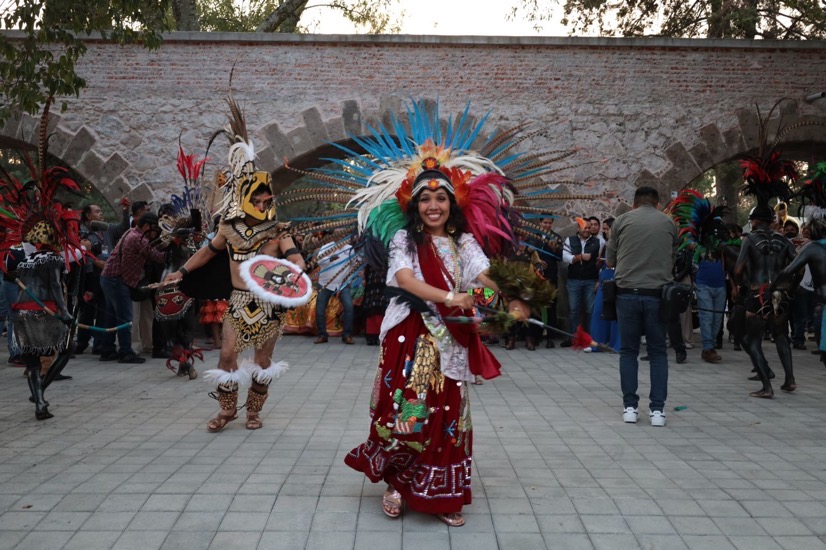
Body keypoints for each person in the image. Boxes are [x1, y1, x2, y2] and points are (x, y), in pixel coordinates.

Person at [343, 169, 528, 527]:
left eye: (441, 198)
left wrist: (515, 296)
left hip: (451, 338)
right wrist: (450, 297)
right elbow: (405, 279)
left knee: (446, 414)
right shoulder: (405, 240)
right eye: (425, 199)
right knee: (408, 411)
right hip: (411, 335)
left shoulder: (464, 242)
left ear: (452, 203)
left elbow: (484, 277)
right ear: (414, 205)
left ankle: (442, 491)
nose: (433, 206)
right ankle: (398, 484)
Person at [164, 99, 305, 432]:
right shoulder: (228, 229)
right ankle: (227, 410)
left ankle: (253, 411)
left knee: (262, 361)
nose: (262, 205)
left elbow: (295, 256)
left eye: (266, 200)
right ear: (244, 199)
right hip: (239, 302)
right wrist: (181, 272)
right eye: (257, 200)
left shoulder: (279, 231)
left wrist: (296, 270)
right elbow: (207, 253)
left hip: (268, 303)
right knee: (227, 354)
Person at [606, 186, 678, 427]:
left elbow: (610, 260)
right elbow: (673, 257)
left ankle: (630, 407)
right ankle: (657, 410)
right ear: (657, 204)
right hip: (657, 295)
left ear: (634, 203)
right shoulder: (669, 223)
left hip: (626, 294)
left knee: (628, 351)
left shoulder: (621, 221)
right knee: (658, 352)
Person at [734, 205, 797, 398]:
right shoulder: (784, 240)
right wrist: (791, 287)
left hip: (758, 294)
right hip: (781, 294)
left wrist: (741, 284)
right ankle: (789, 379)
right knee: (781, 336)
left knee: (752, 341)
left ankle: (767, 387)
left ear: (754, 220)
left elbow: (738, 269)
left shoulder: (749, 239)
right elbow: (799, 266)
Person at [99, 213, 166, 364]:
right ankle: (125, 352)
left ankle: (107, 350)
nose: (156, 232)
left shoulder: (132, 232)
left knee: (111, 316)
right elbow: (156, 256)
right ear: (147, 226)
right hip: (117, 279)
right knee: (125, 318)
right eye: (155, 228)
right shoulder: (138, 238)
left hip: (109, 277)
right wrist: (172, 246)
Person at [561, 217, 600, 344]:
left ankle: (590, 338)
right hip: (574, 280)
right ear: (578, 228)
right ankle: (573, 337)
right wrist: (580, 257)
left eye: (589, 227)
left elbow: (601, 261)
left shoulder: (598, 242)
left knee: (590, 310)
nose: (587, 230)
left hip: (591, 280)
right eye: (584, 227)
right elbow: (565, 257)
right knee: (573, 310)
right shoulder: (570, 240)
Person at [314, 239, 355, 344]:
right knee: (320, 310)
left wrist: (349, 280)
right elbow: (319, 261)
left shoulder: (349, 249)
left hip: (342, 284)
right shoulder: (326, 247)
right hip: (325, 284)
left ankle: (347, 335)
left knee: (349, 307)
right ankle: (322, 335)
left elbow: (353, 265)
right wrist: (330, 259)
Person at [587, 218, 619, 352]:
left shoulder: (620, 243)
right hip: (604, 277)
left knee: (616, 312)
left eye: (607, 229)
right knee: (598, 311)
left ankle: (616, 344)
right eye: (604, 229)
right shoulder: (605, 244)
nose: (605, 232)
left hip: (616, 277)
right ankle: (597, 343)